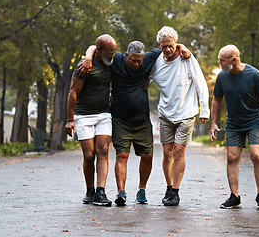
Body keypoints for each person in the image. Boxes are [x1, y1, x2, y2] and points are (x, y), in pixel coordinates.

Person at [79, 41, 191, 206]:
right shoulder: (116, 59)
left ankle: (142, 189)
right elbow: (95, 46)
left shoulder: (148, 58)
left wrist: (182, 47)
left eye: (140, 61)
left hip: (142, 120)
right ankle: (121, 192)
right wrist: (88, 57)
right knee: (122, 155)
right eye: (133, 60)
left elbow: (167, 45)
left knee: (147, 155)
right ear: (126, 56)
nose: (137, 64)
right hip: (120, 119)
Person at [210, 44, 259, 210]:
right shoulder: (222, 77)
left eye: (222, 60)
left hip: (254, 120)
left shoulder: (254, 74)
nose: (219, 62)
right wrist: (213, 122)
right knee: (232, 157)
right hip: (233, 122)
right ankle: (235, 197)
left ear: (233, 59)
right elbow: (217, 99)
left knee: (256, 155)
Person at [149, 26, 210, 206]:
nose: (167, 49)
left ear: (176, 43)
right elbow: (144, 79)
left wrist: (204, 110)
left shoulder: (188, 59)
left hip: (186, 112)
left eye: (171, 45)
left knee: (178, 151)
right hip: (165, 113)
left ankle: (175, 191)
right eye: (164, 46)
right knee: (167, 152)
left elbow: (201, 84)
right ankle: (169, 187)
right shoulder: (156, 62)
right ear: (159, 45)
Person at [64, 34, 117, 206]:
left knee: (103, 151)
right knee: (89, 155)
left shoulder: (111, 62)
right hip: (83, 116)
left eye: (114, 52)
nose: (113, 55)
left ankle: (100, 192)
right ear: (100, 50)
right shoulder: (84, 66)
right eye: (110, 52)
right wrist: (69, 119)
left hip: (103, 114)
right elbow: (73, 92)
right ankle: (89, 191)